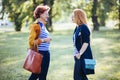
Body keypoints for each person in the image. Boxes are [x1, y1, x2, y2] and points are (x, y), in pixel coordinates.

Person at [28, 5, 52, 80]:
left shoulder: (43, 25)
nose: (48, 16)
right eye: (46, 13)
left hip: (46, 53)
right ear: (40, 14)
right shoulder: (36, 26)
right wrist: (44, 40)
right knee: (35, 75)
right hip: (40, 54)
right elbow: (31, 42)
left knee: (43, 76)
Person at [72, 9, 95, 80]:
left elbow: (86, 42)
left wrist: (80, 53)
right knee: (81, 77)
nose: (71, 18)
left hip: (82, 55)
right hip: (78, 55)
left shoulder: (84, 27)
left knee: (78, 77)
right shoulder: (77, 27)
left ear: (78, 17)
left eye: (73, 16)